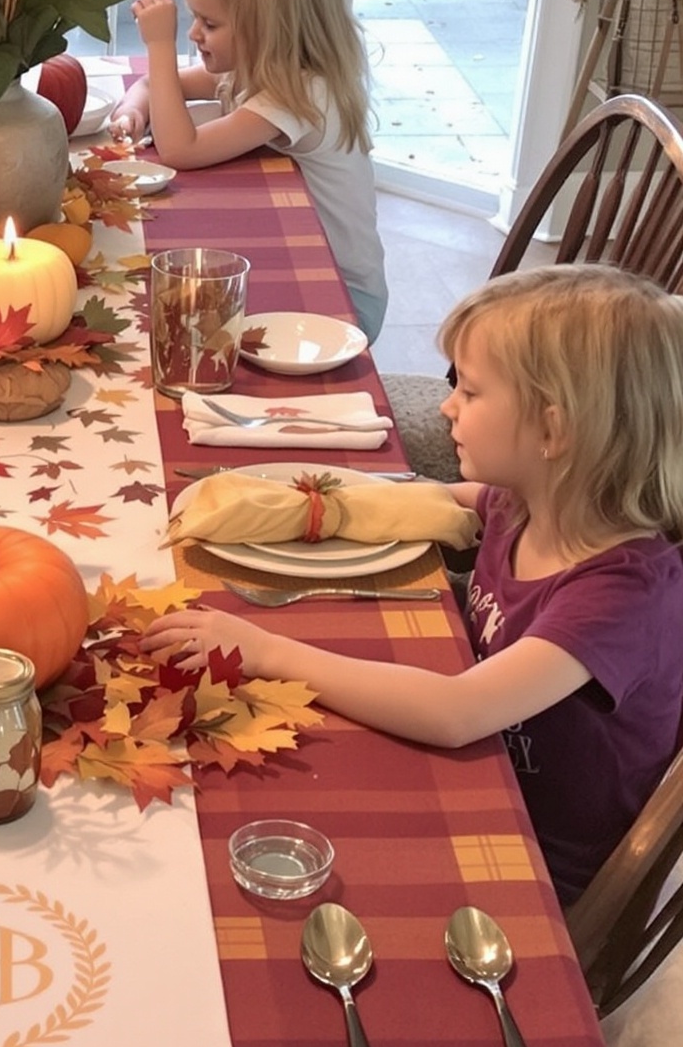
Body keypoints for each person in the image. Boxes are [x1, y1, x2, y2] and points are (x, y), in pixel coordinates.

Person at [147, 265, 683, 903]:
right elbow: (426, 498)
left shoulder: (621, 596)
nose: (445, 405)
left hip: (536, 867)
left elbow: (455, 713)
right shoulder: (529, 501)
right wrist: (302, 495)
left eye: (472, 392)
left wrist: (263, 650)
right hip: (486, 769)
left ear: (554, 430)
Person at [115, 0, 388, 344]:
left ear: (269, 29)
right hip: (296, 256)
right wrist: (133, 111)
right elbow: (153, 86)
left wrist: (159, 45)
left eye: (210, 23)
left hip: (344, 295)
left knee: (192, 323)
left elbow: (180, 150)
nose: (194, 35)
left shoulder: (300, 94)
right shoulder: (260, 68)